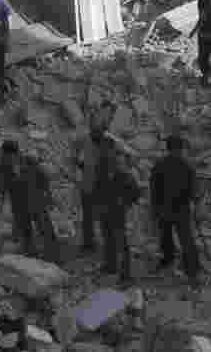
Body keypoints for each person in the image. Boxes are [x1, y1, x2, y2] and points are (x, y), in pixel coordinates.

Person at [72, 101, 124, 254]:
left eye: (109, 114)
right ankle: (91, 244)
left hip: (100, 185)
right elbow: (79, 159)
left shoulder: (109, 140)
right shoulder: (88, 138)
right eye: (105, 113)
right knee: (89, 217)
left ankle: (107, 247)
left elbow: (122, 156)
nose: (106, 117)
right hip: (90, 184)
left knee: (103, 219)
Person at [150, 134, 201, 285]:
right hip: (176, 209)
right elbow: (193, 189)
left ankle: (178, 264)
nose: (179, 151)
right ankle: (187, 268)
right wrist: (196, 203)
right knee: (180, 239)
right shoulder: (185, 166)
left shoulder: (162, 165)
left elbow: (154, 188)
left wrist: (154, 208)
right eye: (178, 148)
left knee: (175, 239)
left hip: (171, 208)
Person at [0, 140, 59, 261]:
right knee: (25, 231)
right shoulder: (2, 166)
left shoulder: (29, 161)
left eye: (7, 156)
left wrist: (49, 196)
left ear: (13, 154)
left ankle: (54, 255)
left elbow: (43, 178)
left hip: (35, 199)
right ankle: (31, 255)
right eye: (4, 156)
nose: (6, 158)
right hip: (19, 203)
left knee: (45, 228)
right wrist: (1, 201)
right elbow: (2, 186)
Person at [92, 144, 140, 284]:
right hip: (105, 212)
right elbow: (96, 191)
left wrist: (124, 203)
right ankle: (111, 266)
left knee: (121, 243)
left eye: (116, 160)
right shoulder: (102, 174)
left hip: (118, 213)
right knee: (108, 240)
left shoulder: (125, 176)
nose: (113, 162)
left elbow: (135, 193)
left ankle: (126, 275)